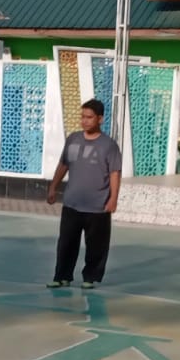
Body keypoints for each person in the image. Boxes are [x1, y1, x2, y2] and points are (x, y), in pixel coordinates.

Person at [46, 98, 122, 289]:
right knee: (66, 243)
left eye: (89, 117)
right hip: (72, 203)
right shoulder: (73, 139)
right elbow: (64, 164)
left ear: (100, 119)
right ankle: (62, 276)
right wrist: (53, 186)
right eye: (83, 117)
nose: (85, 121)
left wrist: (113, 198)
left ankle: (91, 278)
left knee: (96, 246)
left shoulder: (109, 145)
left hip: (97, 206)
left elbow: (114, 173)